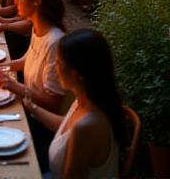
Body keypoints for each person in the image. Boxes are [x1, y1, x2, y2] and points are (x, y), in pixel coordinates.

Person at [0, 0, 67, 172]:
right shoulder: (39, 28)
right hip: (29, 110)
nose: (14, 1)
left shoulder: (55, 42)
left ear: (37, 1)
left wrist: (15, 86)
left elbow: (53, 103)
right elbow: (26, 59)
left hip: (41, 129)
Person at [33, 30, 125, 179]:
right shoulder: (86, 100)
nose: (55, 68)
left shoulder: (87, 126)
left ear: (76, 74)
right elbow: (66, 128)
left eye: (58, 62)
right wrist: (32, 107)